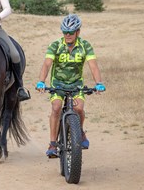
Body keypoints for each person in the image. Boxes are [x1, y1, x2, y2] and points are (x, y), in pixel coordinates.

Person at [35, 14, 106, 158]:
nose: (67, 35)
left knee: (79, 108)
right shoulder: (55, 45)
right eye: (64, 32)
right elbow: (47, 64)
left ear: (78, 32)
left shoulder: (85, 46)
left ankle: (79, 132)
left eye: (71, 32)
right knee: (56, 107)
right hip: (58, 84)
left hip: (76, 84)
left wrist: (98, 83)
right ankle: (53, 144)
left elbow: (93, 66)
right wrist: (41, 81)